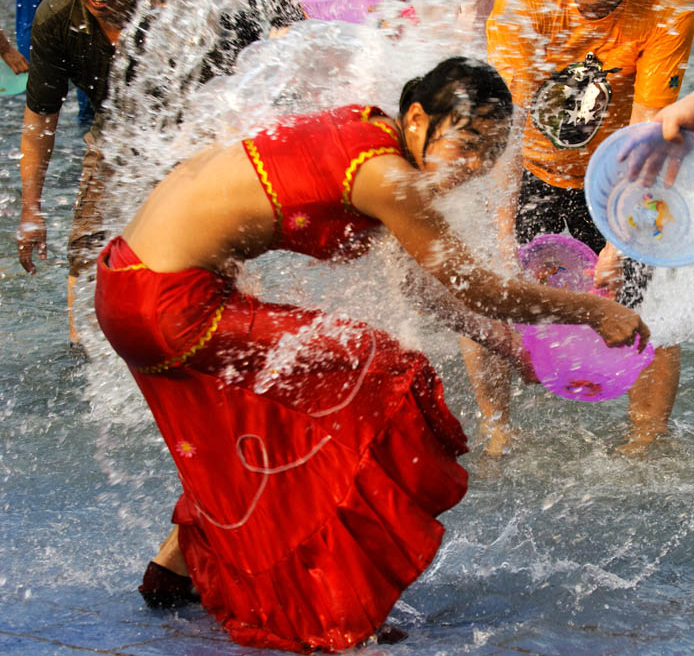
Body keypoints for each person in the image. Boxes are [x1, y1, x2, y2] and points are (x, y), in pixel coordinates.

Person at [94, 57, 648, 652]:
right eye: (466, 143)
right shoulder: (389, 178)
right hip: (172, 305)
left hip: (128, 281)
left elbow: (419, 283)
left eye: (490, 153)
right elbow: (476, 287)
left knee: (270, 423)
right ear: (417, 117)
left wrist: (509, 347)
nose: (475, 166)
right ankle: (326, 610)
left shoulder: (369, 134)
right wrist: (594, 311)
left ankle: (175, 572)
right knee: (385, 374)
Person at [461, 0, 694, 456]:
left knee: (645, 300)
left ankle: (645, 440)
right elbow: (509, 123)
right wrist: (501, 235)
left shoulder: (669, 2)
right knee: (490, 293)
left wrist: (623, 238)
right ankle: (498, 429)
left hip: (616, 176)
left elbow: (647, 134)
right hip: (529, 170)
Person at [15, 0, 153, 347]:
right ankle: (83, 349)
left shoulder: (171, 12)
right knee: (87, 245)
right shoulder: (57, 16)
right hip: (113, 134)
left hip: (182, 134)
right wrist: (30, 210)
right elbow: (40, 121)